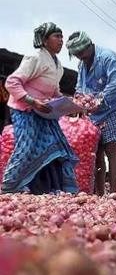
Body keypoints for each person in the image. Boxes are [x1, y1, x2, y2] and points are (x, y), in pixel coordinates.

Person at [1, 22, 79, 194]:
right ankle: (8, 187)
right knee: (27, 147)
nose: (61, 40)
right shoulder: (35, 57)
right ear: (44, 40)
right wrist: (33, 101)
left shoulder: (57, 64)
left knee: (56, 146)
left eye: (61, 36)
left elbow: (54, 90)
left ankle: (44, 188)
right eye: (56, 36)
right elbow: (11, 82)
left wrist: (68, 103)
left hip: (43, 111)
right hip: (25, 109)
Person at [66, 31, 116, 196]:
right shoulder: (82, 64)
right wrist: (79, 100)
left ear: (89, 45)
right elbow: (80, 86)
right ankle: (99, 194)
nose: (80, 57)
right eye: (77, 55)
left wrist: (99, 100)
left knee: (111, 149)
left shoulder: (108, 57)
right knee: (96, 152)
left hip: (112, 107)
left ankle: (114, 193)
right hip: (93, 112)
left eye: (82, 53)